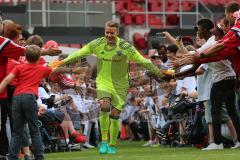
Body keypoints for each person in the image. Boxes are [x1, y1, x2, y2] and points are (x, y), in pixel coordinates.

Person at [50, 20, 170, 154]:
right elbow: (80, 53)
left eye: (111, 33)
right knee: (104, 106)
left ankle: (112, 143)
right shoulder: (97, 43)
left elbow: (142, 61)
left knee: (115, 115)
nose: (108, 35)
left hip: (121, 84)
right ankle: (104, 141)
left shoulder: (125, 46)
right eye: (106, 32)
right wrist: (62, 62)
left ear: (117, 33)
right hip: (103, 81)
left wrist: (161, 72)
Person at [0, 45, 62, 160]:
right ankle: (39, 157)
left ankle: (13, 157)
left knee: (17, 131)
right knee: (34, 130)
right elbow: (57, 71)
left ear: (25, 56)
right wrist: (69, 66)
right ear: (39, 57)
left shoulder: (19, 67)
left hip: (16, 97)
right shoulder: (41, 68)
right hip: (29, 98)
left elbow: (8, 79)